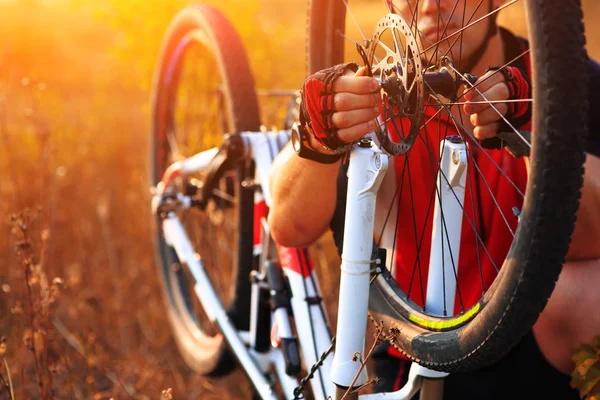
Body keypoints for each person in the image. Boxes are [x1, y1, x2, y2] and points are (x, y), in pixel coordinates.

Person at [268, 0, 600, 398]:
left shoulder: (565, 75)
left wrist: (539, 132)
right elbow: (290, 226)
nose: (430, 5)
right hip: (416, 348)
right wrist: (318, 138)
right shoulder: (374, 89)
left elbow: (589, 237)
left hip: (533, 333)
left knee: (588, 292)